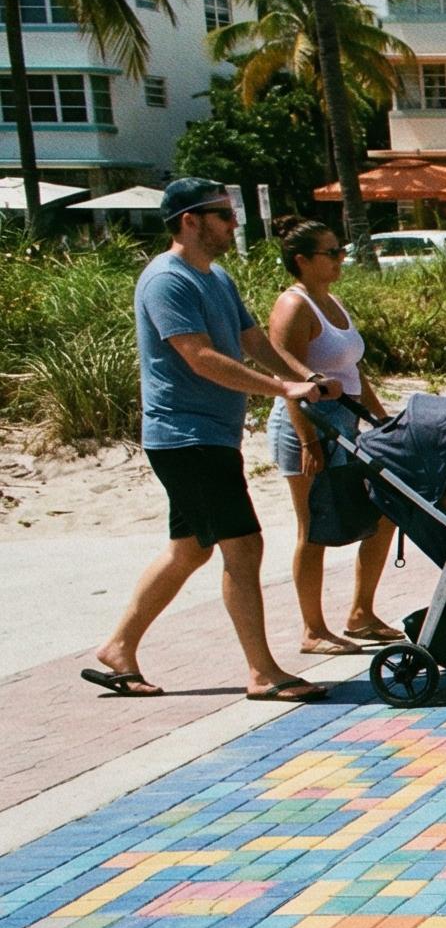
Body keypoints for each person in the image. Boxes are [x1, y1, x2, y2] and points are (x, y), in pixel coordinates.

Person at [85, 178, 338, 701]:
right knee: (242, 546)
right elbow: (199, 357)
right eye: (223, 215)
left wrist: (302, 379)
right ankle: (263, 672)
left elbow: (252, 342)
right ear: (189, 221)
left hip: (210, 436)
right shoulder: (166, 281)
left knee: (189, 550)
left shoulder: (216, 277)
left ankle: (118, 647)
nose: (233, 223)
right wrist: (283, 388)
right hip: (184, 436)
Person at [264, 217, 399, 656]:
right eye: (331, 253)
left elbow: (352, 370)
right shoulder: (294, 306)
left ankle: (361, 613)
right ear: (302, 260)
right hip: (305, 427)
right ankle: (312, 630)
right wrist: (308, 440)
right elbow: (286, 378)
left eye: (340, 250)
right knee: (314, 528)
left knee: (384, 512)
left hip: (344, 424)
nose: (341, 258)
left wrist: (382, 419)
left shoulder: (332, 301)